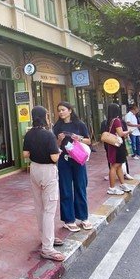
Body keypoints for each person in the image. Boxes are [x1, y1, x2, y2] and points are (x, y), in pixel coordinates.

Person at [22, 106, 65, 262]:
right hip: (48, 171)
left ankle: (46, 237)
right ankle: (47, 248)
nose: (48, 117)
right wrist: (58, 151)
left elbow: (25, 154)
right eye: (47, 115)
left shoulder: (29, 134)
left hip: (34, 169)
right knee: (49, 209)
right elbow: (54, 157)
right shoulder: (48, 135)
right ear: (43, 117)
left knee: (39, 206)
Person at [52, 101, 93, 233]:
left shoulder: (79, 124)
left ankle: (83, 217)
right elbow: (55, 146)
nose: (61, 112)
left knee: (80, 186)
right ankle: (68, 220)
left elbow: (88, 140)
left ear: (70, 110)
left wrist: (78, 139)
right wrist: (59, 140)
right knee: (65, 189)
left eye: (63, 110)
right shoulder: (57, 126)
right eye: (59, 110)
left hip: (78, 159)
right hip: (64, 160)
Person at [105, 103, 132, 195]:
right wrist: (129, 131)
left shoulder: (109, 121)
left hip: (113, 145)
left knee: (119, 165)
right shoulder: (116, 120)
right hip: (118, 146)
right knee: (115, 166)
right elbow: (120, 133)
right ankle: (112, 188)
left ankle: (122, 184)